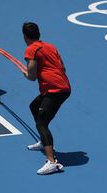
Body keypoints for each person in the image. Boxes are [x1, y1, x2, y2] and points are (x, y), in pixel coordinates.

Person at [22, 22, 71, 175]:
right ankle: (44, 142)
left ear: (25, 36)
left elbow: (31, 76)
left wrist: (26, 73)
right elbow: (63, 67)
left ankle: (52, 162)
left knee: (41, 123)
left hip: (55, 90)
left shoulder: (31, 49)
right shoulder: (50, 46)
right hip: (61, 86)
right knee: (34, 106)